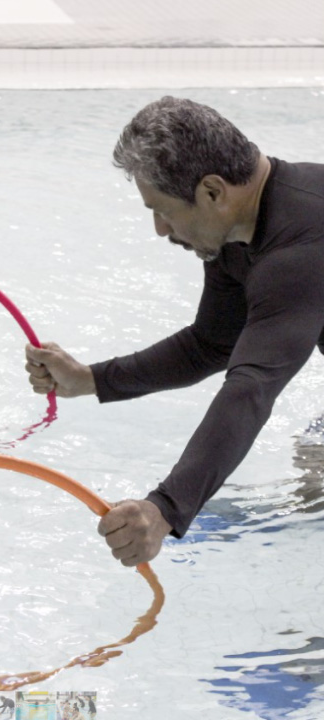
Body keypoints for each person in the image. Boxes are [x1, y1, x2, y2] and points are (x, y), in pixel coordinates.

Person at [25, 95, 324, 566]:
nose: (160, 229)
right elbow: (211, 345)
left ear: (212, 191)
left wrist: (165, 508)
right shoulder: (239, 231)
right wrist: (92, 379)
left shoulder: (302, 244)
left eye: (162, 210)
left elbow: (252, 388)